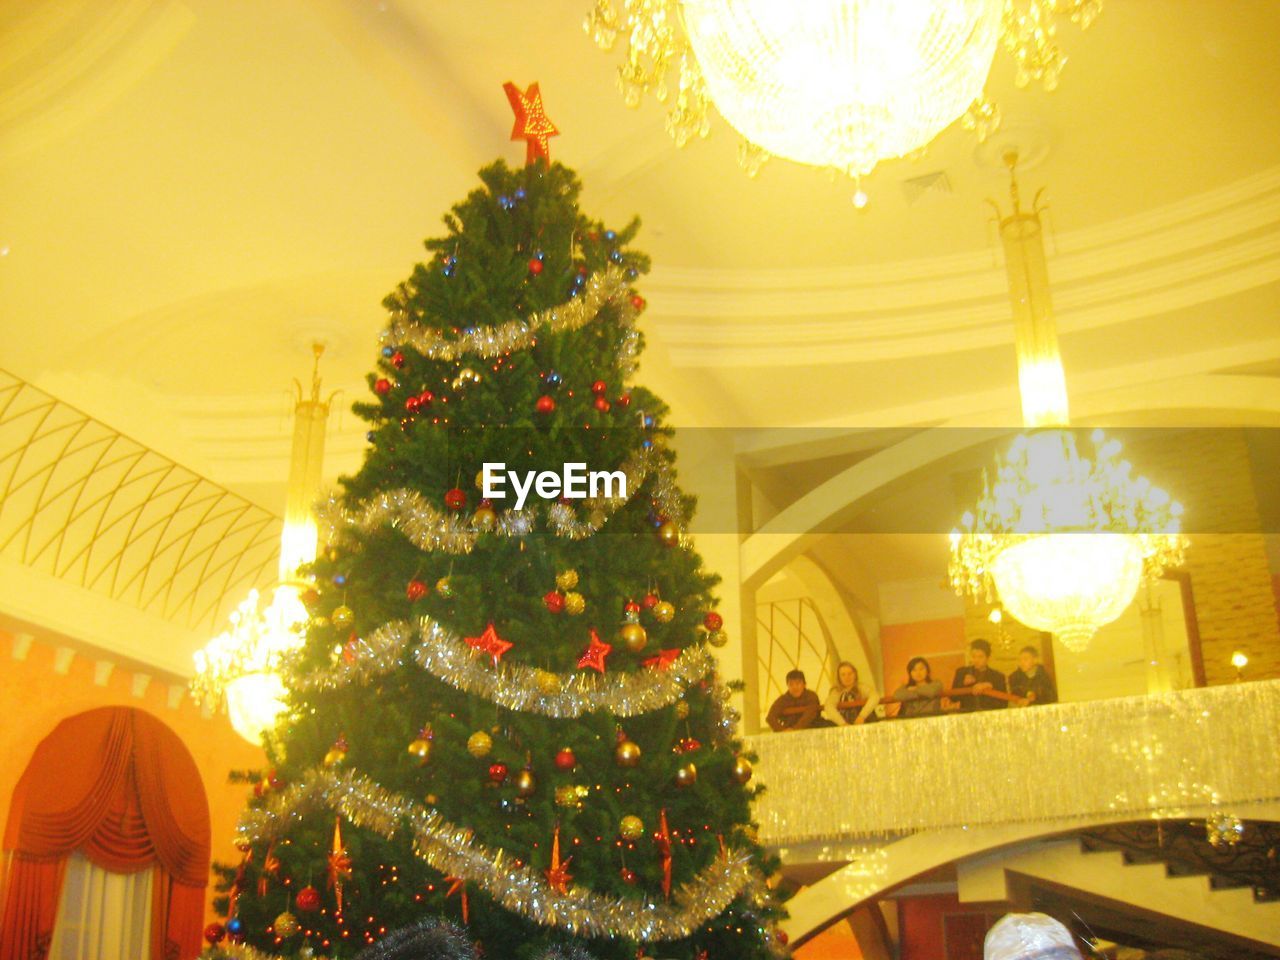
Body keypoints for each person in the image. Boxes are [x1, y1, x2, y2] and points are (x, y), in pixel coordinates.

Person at [951, 638, 1008, 711]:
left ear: (988, 658)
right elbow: (953, 698)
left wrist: (990, 686)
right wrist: (963, 684)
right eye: (973, 656)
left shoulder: (998, 676)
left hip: (990, 716)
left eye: (980, 657)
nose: (976, 660)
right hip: (968, 716)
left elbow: (1004, 703)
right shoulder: (962, 672)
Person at [765, 668, 831, 731]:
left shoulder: (811, 696)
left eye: (798, 683)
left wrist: (795, 729)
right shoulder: (783, 699)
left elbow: (810, 714)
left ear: (804, 684)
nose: (795, 687)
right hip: (790, 729)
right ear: (787, 686)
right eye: (791, 684)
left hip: (813, 727)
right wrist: (783, 730)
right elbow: (770, 717)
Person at [825, 660, 881, 725]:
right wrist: (842, 723)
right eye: (843, 675)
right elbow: (829, 706)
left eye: (850, 673)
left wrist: (862, 716)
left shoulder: (861, 687)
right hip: (845, 725)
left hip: (864, 724)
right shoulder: (836, 692)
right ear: (839, 677)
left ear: (855, 674)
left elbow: (875, 696)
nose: (847, 677)